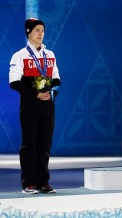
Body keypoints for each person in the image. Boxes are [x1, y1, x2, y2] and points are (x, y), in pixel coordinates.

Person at [9, 18, 61, 193]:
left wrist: (51, 94)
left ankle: (43, 182)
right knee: (29, 144)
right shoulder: (20, 55)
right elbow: (14, 82)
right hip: (30, 106)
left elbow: (56, 79)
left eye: (43, 30)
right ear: (28, 32)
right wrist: (36, 94)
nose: (41, 34)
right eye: (37, 30)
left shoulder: (50, 55)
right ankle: (29, 183)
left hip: (48, 106)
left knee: (44, 145)